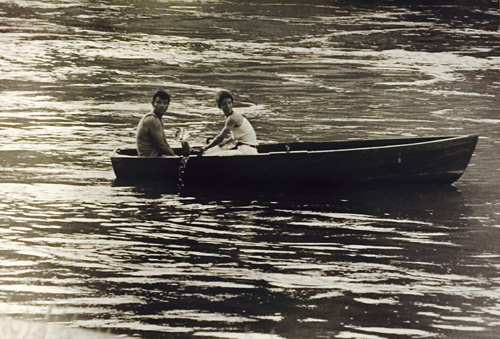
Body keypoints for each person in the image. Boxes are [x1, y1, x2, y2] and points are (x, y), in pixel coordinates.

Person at [201, 90, 258, 155]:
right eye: (224, 104)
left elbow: (220, 137)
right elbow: (236, 136)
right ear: (220, 106)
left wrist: (205, 147)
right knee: (210, 150)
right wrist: (225, 142)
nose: (228, 106)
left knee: (212, 155)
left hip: (247, 150)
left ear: (232, 103)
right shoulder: (230, 117)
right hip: (243, 147)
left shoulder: (233, 118)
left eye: (229, 103)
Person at [136, 90, 189, 157]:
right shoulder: (152, 119)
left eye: (165, 103)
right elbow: (161, 145)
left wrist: (174, 154)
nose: (162, 106)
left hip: (154, 156)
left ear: (168, 105)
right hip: (149, 158)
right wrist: (175, 157)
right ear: (153, 104)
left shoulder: (158, 119)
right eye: (159, 102)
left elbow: (164, 143)